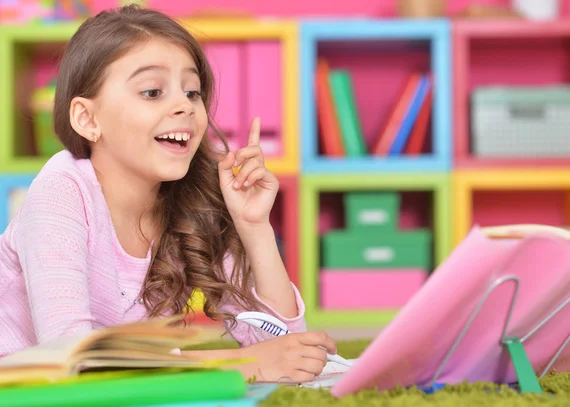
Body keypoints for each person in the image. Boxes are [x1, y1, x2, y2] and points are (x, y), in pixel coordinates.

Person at [0, 5, 337, 383]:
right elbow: (69, 355)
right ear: (88, 119)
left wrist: (254, 227)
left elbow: (282, 346)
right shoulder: (61, 189)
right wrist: (245, 365)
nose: (184, 106)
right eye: (152, 91)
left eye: (192, 92)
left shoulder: (192, 199)